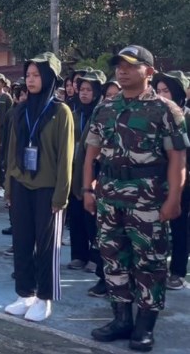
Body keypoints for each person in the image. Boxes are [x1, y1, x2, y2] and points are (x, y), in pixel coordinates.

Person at [84, 45, 188, 351]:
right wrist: (88, 190)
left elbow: (178, 158)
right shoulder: (105, 109)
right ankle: (121, 319)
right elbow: (90, 153)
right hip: (109, 196)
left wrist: (174, 198)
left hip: (149, 200)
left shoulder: (166, 110)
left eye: (131, 65)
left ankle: (144, 325)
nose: (123, 70)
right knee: (113, 260)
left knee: (150, 263)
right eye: (119, 65)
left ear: (149, 72)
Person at [2, 53, 74, 322]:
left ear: (49, 78)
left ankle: (44, 298)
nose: (31, 80)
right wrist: (9, 186)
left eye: (36, 75)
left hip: (47, 189)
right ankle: (25, 293)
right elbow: (11, 151)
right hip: (21, 185)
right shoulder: (19, 111)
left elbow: (66, 157)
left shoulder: (60, 111)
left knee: (46, 246)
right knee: (21, 242)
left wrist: (61, 195)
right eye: (28, 75)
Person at [69, 71, 109, 297]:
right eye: (81, 89)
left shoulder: (101, 114)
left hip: (94, 169)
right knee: (75, 213)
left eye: (88, 90)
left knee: (93, 218)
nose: (84, 94)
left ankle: (95, 258)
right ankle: (79, 254)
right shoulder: (73, 113)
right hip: (74, 169)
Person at [151, 71, 190, 291]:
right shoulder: (155, 116)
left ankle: (177, 271)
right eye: (159, 90)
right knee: (156, 227)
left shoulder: (187, 117)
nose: (161, 95)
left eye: (166, 90)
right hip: (157, 181)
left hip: (183, 182)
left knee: (179, 226)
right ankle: (157, 269)